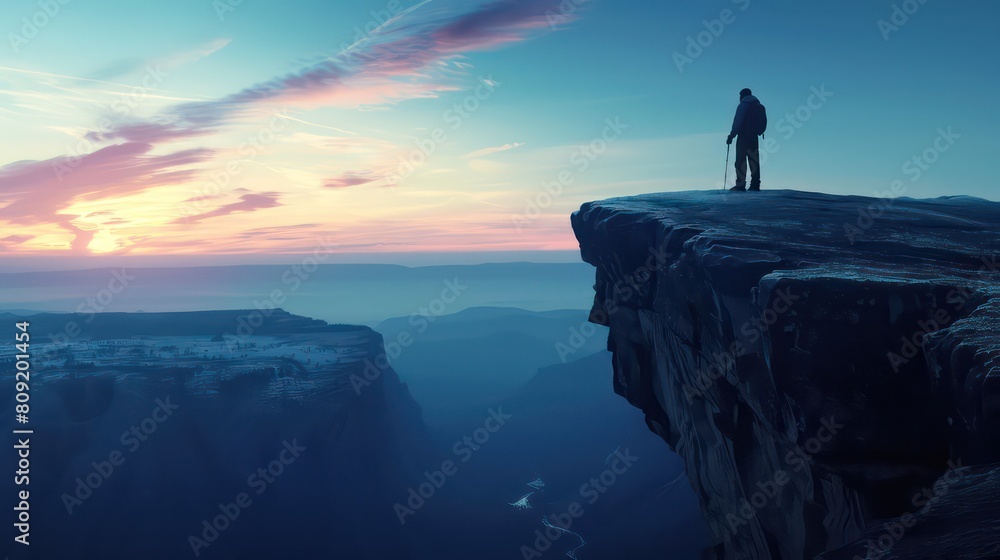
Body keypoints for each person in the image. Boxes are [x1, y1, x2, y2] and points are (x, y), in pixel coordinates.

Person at [726, 88, 763, 192]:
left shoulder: (743, 104)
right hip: (754, 136)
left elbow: (737, 122)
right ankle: (755, 185)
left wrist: (731, 136)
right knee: (754, 160)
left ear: (742, 95)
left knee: (740, 161)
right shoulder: (757, 104)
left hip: (743, 136)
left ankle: (740, 185)